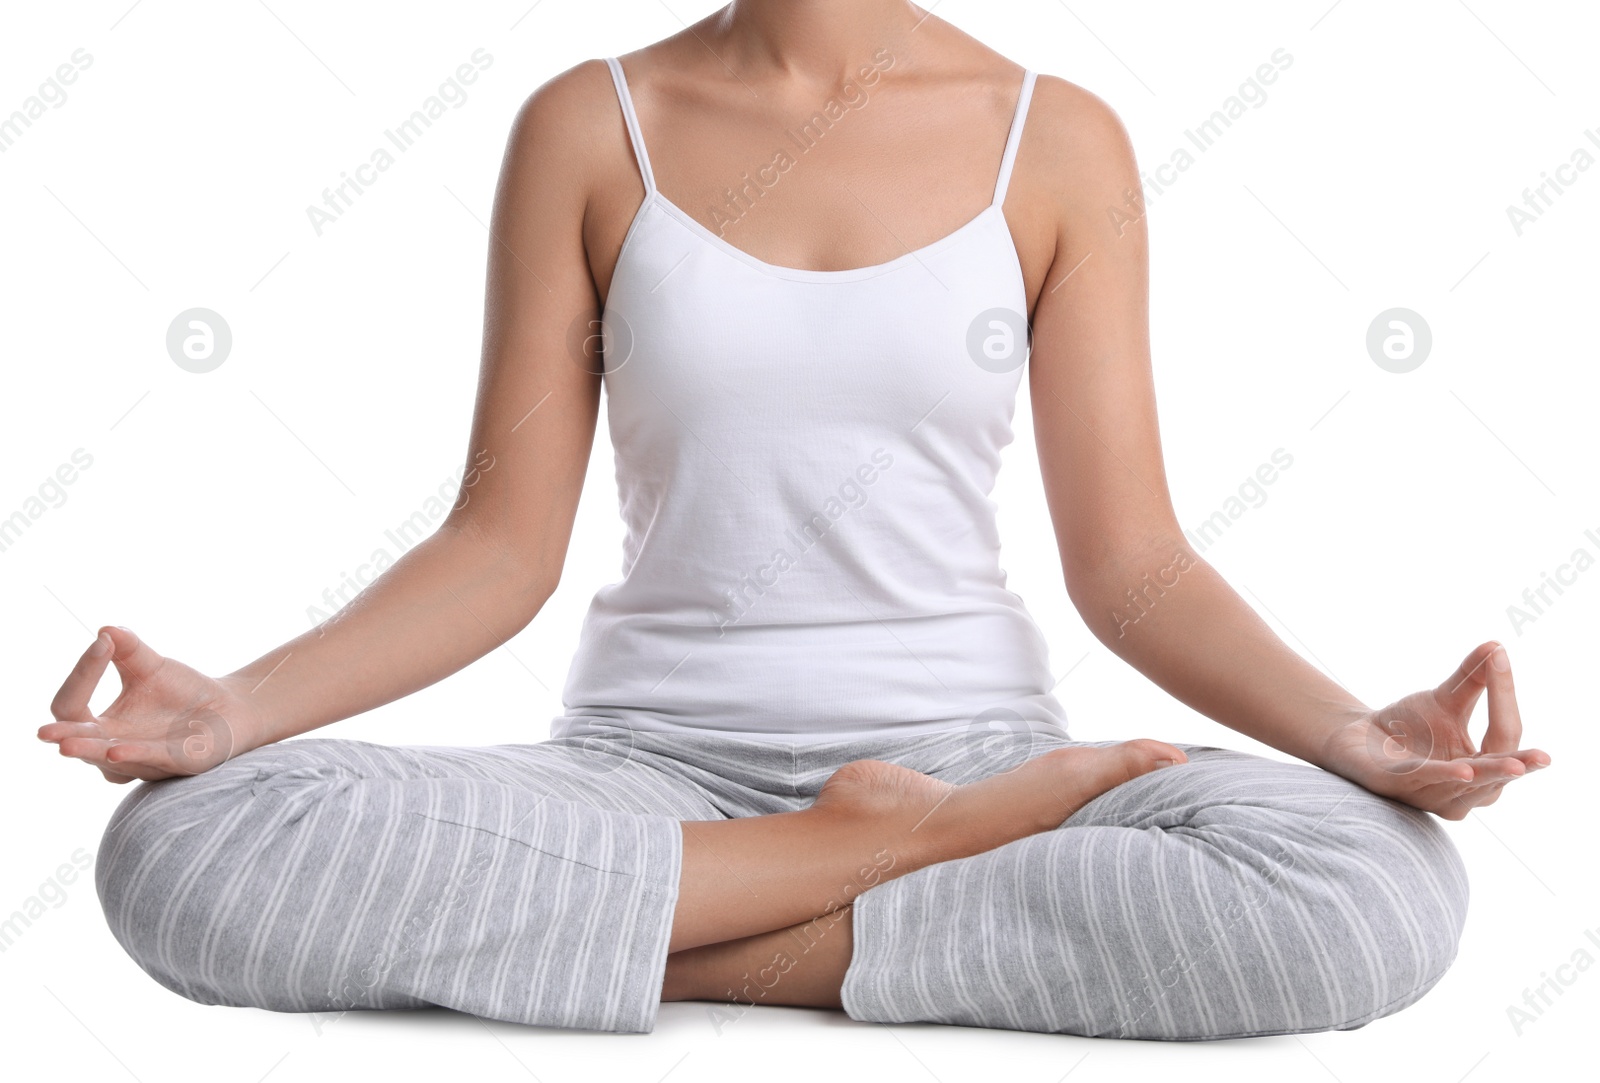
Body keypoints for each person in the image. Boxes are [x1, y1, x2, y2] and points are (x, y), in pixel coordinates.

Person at [40, 0, 1548, 1040]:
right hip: (651, 776)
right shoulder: (588, 124)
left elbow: (1134, 566)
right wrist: (232, 710)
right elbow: (497, 553)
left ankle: (669, 935)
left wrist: (1351, 736)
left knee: (1372, 891)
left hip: (985, 755)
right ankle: (884, 860)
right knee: (188, 854)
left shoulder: (1057, 140)